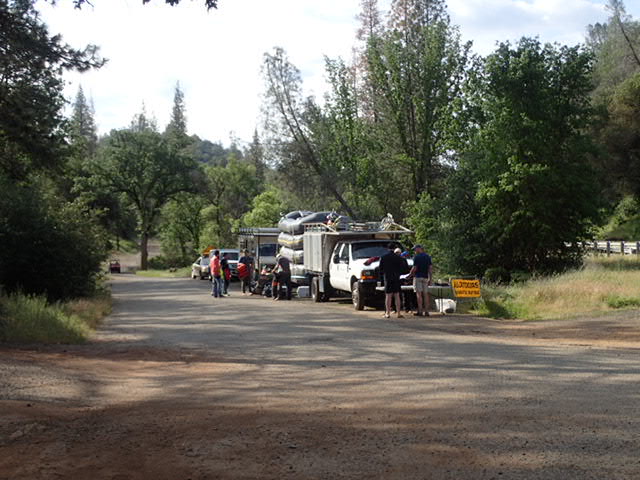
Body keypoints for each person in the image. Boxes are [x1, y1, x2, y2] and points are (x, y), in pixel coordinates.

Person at [379, 244, 409, 318]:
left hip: (388, 278)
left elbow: (380, 269)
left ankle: (388, 313)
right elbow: (402, 269)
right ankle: (398, 313)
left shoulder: (383, 257)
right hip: (396, 278)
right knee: (397, 295)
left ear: (387, 248)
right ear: (394, 248)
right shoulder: (399, 258)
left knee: (388, 296)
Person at [409, 244, 433, 316]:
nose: (414, 251)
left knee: (419, 294)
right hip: (425, 277)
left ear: (419, 249)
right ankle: (427, 311)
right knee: (426, 295)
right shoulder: (428, 256)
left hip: (418, 277)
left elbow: (414, 268)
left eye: (415, 249)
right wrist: (430, 278)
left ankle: (420, 311)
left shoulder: (416, 257)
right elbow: (430, 268)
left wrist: (409, 274)